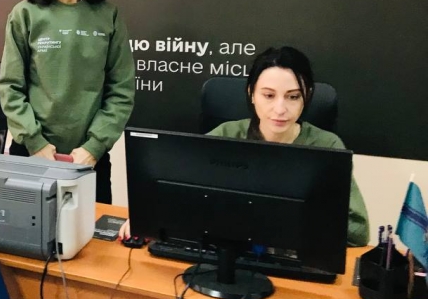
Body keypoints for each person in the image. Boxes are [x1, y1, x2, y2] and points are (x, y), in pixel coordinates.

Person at [118, 46, 369, 246]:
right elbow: (177, 192)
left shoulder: (327, 146)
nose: (280, 109)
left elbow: (357, 230)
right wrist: (150, 218)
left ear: (307, 96)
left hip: (294, 260)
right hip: (227, 253)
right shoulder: (225, 135)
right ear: (251, 94)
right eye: (268, 95)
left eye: (293, 97)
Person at [0, 0, 135, 204]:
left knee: (92, 231)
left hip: (89, 159)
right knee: (26, 230)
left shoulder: (108, 15)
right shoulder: (26, 14)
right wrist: (36, 143)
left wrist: (94, 147)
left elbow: (121, 91)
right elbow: (11, 88)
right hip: (32, 154)